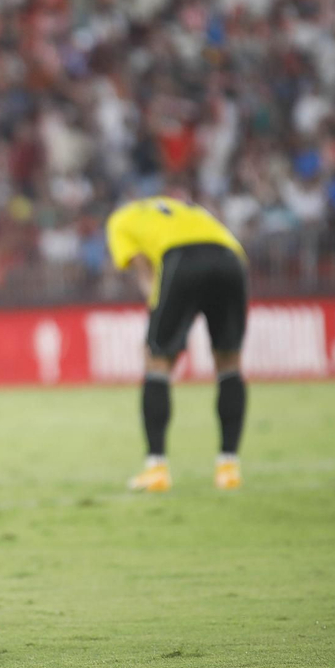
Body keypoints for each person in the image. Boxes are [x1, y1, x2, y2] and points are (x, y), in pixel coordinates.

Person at [106, 195, 249, 492]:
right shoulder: (184, 209)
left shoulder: (120, 220)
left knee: (156, 361)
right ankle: (228, 468)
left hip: (182, 259)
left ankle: (156, 469)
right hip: (231, 258)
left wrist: (157, 322)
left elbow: (144, 270)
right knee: (229, 362)